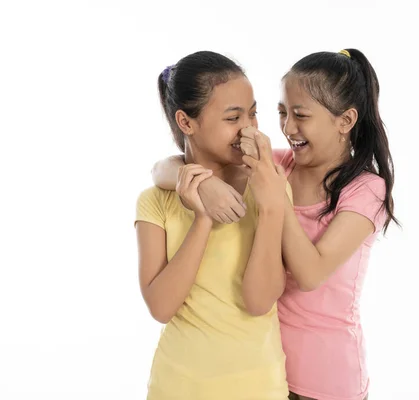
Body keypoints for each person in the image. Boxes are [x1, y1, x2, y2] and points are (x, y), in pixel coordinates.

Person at [152, 48, 398, 400]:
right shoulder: (279, 167)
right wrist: (201, 182)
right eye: (282, 113)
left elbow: (310, 273)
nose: (287, 128)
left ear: (345, 121)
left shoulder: (366, 190)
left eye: (300, 115)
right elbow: (162, 168)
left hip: (324, 381)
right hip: (269, 376)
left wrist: (274, 195)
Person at [135, 50, 290, 399]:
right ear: (186, 122)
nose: (248, 128)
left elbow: (258, 301)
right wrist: (202, 218)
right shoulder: (155, 201)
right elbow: (161, 308)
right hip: (178, 387)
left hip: (259, 387)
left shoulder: (271, 185)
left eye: (252, 114)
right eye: (233, 117)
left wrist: (270, 207)